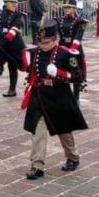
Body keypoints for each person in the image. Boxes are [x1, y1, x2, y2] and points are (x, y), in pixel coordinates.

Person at [21, 19, 87, 180]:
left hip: (59, 96)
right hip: (39, 97)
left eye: (47, 42)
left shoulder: (65, 54)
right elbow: (29, 71)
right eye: (40, 42)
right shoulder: (35, 52)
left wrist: (60, 73)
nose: (43, 45)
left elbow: (78, 76)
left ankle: (73, 157)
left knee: (64, 129)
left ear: (55, 39)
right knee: (38, 130)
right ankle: (37, 166)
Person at [0, 0, 26, 97]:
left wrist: (11, 34)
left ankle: (12, 90)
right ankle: (0, 64)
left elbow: (17, 26)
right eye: (12, 2)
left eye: (16, 3)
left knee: (12, 66)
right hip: (2, 39)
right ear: (5, 2)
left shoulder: (18, 15)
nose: (14, 5)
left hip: (14, 41)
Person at [58, 0, 88, 100]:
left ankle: (76, 98)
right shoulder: (59, 20)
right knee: (61, 74)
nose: (66, 9)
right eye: (65, 7)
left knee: (75, 74)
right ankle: (64, 97)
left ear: (74, 8)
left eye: (69, 7)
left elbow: (78, 36)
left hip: (74, 50)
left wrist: (72, 50)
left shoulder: (80, 21)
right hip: (62, 48)